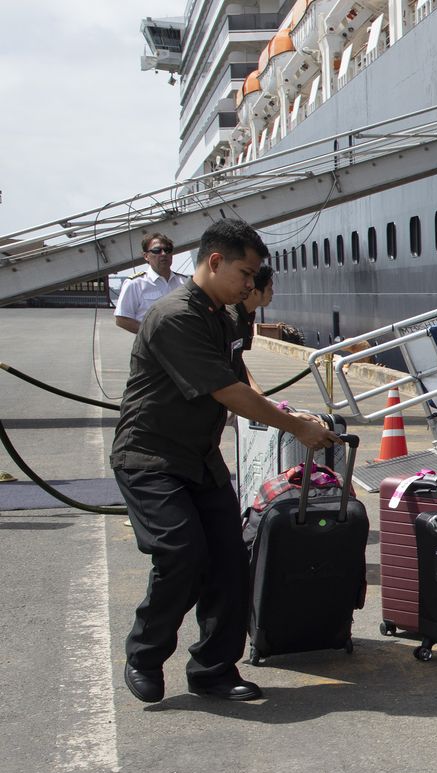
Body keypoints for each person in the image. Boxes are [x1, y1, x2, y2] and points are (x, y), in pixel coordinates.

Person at [112, 219, 341, 706]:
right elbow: (225, 390)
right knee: (180, 551)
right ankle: (144, 654)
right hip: (150, 456)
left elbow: (239, 374)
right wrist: (295, 427)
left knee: (230, 562)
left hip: (199, 457)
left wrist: (284, 411)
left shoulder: (227, 314)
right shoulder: (174, 316)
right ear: (215, 261)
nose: (251, 284)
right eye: (245, 272)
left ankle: (213, 669)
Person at [114, 232, 191, 333]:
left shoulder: (185, 282)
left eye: (167, 250)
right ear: (146, 256)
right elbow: (122, 319)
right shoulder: (135, 284)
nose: (163, 254)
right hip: (152, 346)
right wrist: (154, 333)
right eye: (157, 250)